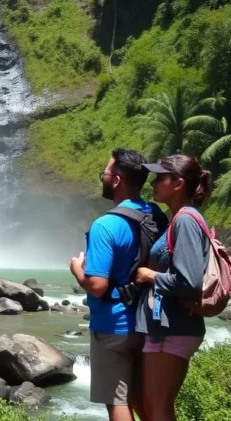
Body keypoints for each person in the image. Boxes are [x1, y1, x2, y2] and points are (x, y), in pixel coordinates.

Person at [70, 148, 159, 421]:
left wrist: (77, 270)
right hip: (149, 322)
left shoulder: (106, 225)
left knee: (117, 402)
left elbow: (97, 285)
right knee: (144, 401)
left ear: (117, 180)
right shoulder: (157, 216)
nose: (103, 179)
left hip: (113, 326)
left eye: (105, 174)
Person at [135, 155, 214, 421]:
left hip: (174, 328)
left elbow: (189, 281)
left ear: (179, 183)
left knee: (158, 408)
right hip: (170, 327)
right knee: (152, 404)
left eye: (160, 178)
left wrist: (150, 276)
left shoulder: (185, 221)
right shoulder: (180, 218)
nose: (154, 183)